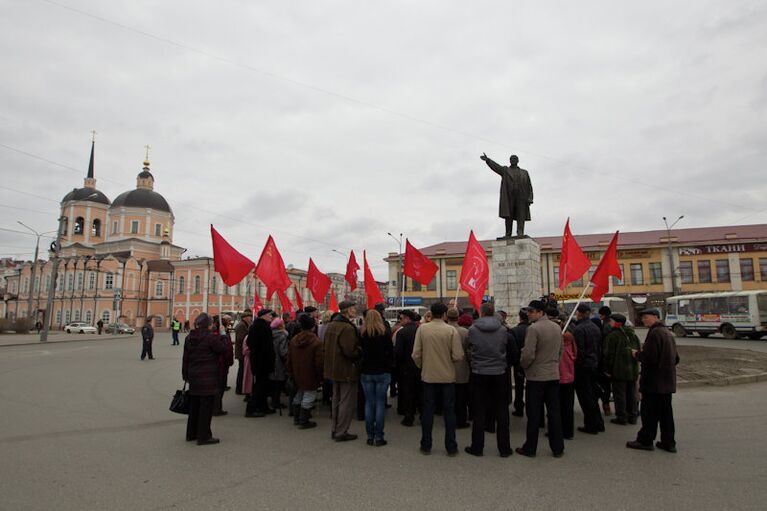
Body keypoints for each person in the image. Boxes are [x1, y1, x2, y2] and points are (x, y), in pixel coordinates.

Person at [412, 302, 464, 456]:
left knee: (428, 411)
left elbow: (416, 354)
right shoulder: (451, 331)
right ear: (445, 315)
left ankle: (426, 444)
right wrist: (449, 363)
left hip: (428, 376)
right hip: (447, 377)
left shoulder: (422, 329)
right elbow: (458, 355)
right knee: (449, 412)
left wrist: (424, 365)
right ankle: (451, 446)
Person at [516, 300, 564, 458]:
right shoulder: (557, 327)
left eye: (532, 311)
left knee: (534, 414)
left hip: (536, 377)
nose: (529, 313)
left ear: (541, 312)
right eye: (529, 311)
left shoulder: (534, 328)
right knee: (554, 413)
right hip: (553, 375)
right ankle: (558, 447)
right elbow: (560, 351)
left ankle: (530, 447)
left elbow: (528, 354)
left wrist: (524, 366)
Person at [464, 302, 513, 457]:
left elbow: (468, 349)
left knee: (478, 411)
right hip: (499, 372)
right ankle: (504, 448)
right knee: (502, 411)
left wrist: (473, 361)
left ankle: (477, 447)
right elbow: (510, 350)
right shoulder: (504, 330)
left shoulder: (472, 330)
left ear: (481, 313)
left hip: (479, 372)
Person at [627, 309, 680, 453]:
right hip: (666, 381)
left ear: (655, 317)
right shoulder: (667, 333)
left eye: (646, 317)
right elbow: (676, 358)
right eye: (642, 317)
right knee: (666, 414)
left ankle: (645, 440)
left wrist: (637, 354)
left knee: (649, 413)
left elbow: (650, 357)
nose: (643, 320)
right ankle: (668, 442)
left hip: (654, 382)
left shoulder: (655, 333)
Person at [182, 313, 227, 445]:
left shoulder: (189, 337)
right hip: (208, 377)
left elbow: (186, 359)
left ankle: (191, 433)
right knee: (206, 407)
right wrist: (223, 335)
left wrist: (185, 375)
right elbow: (222, 349)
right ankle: (204, 436)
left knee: (194, 406)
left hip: (194, 376)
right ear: (208, 324)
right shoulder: (210, 338)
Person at [323, 300, 362, 442]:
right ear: (347, 310)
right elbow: (350, 351)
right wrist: (360, 351)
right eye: (353, 308)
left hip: (333, 368)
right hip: (345, 369)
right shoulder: (347, 328)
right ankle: (341, 431)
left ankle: (335, 428)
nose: (355, 309)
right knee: (346, 401)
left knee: (336, 399)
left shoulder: (331, 325)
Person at [359, 309, 393, 446]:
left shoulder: (362, 334)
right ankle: (379, 436)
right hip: (382, 371)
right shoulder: (384, 333)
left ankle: (369, 435)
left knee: (369, 403)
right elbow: (390, 352)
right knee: (379, 403)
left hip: (366, 371)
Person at [480, 152, 533, 238]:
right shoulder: (505, 170)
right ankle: (508, 234)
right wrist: (488, 160)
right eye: (511, 159)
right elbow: (496, 167)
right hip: (509, 197)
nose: (513, 160)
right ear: (509, 161)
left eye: (515, 159)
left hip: (521, 197)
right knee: (509, 216)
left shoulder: (524, 173)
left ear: (518, 161)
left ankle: (520, 233)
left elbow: (529, 186)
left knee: (521, 215)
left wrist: (530, 198)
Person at [286, 314, 324, 429]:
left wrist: (290, 371)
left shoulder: (294, 340)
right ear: (312, 327)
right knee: (309, 395)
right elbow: (319, 362)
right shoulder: (316, 342)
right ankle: (304, 420)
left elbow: (289, 358)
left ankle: (297, 417)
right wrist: (320, 375)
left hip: (297, 372)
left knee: (299, 394)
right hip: (310, 373)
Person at [573, 304, 605, 434]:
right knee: (593, 395)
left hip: (583, 367)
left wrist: (577, 365)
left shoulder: (579, 329)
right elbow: (599, 348)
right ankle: (598, 423)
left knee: (586, 398)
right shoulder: (595, 327)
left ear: (579, 313)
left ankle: (591, 425)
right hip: (594, 364)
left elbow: (579, 352)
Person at [603, 313, 640, 425]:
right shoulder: (633, 335)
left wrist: (608, 370)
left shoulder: (613, 336)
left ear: (616, 323)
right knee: (631, 393)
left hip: (618, 369)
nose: (610, 323)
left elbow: (609, 355)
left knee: (619, 394)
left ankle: (622, 416)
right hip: (632, 369)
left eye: (611, 321)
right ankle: (633, 415)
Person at [245, 309, 276, 417]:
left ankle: (263, 407)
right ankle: (251, 408)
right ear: (264, 316)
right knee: (260, 386)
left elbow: (250, 343)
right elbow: (267, 347)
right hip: (262, 361)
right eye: (269, 315)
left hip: (259, 361)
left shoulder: (256, 326)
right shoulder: (263, 327)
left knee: (262, 385)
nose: (271, 317)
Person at [394, 309, 420, 427]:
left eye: (401, 318)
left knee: (407, 392)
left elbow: (398, 352)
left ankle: (408, 417)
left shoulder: (402, 333)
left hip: (405, 367)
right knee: (420, 391)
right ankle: (422, 414)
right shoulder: (420, 330)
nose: (399, 321)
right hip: (419, 365)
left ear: (407, 319)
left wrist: (396, 364)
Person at [447, 308, 470, 429]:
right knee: (461, 398)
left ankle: (449, 419)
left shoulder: (444, 331)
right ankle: (461, 420)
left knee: (449, 398)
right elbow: (469, 351)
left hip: (445, 369)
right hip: (461, 369)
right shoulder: (464, 332)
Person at [509, 308, 531, 417]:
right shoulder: (532, 328)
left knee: (519, 386)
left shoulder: (515, 330)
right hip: (532, 362)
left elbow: (513, 349)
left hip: (518, 362)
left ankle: (519, 407)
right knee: (532, 386)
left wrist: (514, 362)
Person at [211, 315, 234, 416]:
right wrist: (229, 362)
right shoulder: (221, 335)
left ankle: (214, 408)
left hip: (214, 366)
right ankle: (216, 409)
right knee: (219, 388)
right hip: (221, 365)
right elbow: (226, 350)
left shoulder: (211, 334)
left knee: (216, 388)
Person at [559, 324, 577, 440]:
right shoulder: (572, 344)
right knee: (568, 406)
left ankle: (560, 430)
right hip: (570, 376)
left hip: (559, 377)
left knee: (559, 407)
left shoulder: (560, 347)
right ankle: (569, 431)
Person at [595, 305, 614, 416]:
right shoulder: (612, 323)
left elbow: (604, 345)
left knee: (604, 384)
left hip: (605, 360)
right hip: (612, 360)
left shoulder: (606, 326)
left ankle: (606, 405)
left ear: (603, 315)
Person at [269, 317, 289, 410]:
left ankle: (273, 400)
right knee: (279, 383)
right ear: (281, 325)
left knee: (273, 382)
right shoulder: (283, 335)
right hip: (280, 363)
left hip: (272, 360)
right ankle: (276, 402)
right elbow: (283, 351)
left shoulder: (270, 334)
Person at [234, 309, 252, 395]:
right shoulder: (242, 326)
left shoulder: (243, 324)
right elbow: (241, 338)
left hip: (241, 351)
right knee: (241, 371)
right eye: (249, 317)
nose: (250, 318)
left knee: (242, 370)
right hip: (241, 352)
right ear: (245, 317)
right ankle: (239, 389)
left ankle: (240, 388)